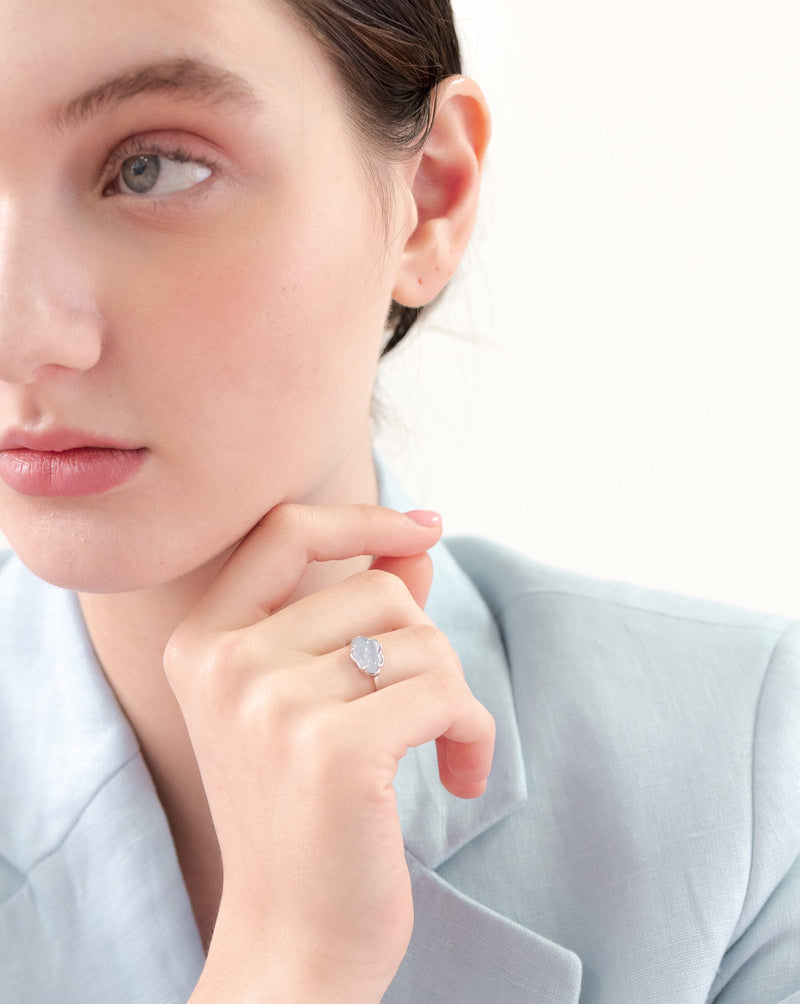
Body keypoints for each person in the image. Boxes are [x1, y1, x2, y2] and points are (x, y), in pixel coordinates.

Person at [0, 1, 797, 1001]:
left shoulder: (747, 770)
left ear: (428, 197)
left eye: (154, 164)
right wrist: (286, 968)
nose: (23, 341)